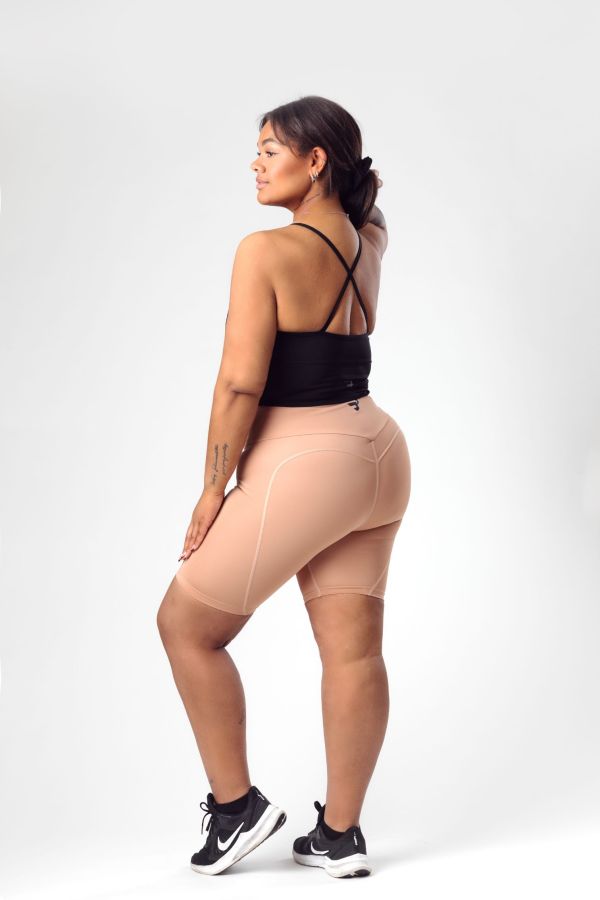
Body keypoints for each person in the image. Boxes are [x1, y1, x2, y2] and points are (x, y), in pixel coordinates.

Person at [156, 95, 411, 879]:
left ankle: (237, 808)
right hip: (377, 451)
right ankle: (340, 835)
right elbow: (371, 210)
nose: (256, 163)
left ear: (315, 160)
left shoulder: (264, 252)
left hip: (305, 462)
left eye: (270, 149)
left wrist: (212, 490)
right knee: (354, 652)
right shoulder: (369, 240)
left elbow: (239, 382)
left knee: (185, 626)